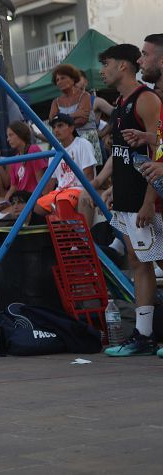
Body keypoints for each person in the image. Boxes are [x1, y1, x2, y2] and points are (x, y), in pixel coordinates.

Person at [93, 44, 163, 356]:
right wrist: (105, 185)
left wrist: (149, 200)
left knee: (157, 261)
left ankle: (148, 334)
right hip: (126, 196)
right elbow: (121, 153)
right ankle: (144, 335)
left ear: (123, 66)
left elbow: (158, 151)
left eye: (106, 63)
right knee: (138, 263)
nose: (102, 70)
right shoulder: (120, 102)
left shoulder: (146, 99)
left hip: (145, 198)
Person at [33, 114, 97, 224]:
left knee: (62, 202)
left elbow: (89, 175)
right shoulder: (54, 149)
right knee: (36, 207)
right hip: (60, 191)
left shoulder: (83, 144)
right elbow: (50, 182)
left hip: (78, 189)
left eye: (60, 125)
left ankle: (76, 237)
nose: (56, 130)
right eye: (54, 127)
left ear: (71, 128)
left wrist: (89, 194)